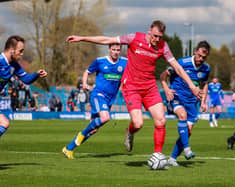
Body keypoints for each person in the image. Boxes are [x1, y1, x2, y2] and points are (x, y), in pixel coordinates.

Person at [66, 20, 201, 158]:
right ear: (149, 30)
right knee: (138, 123)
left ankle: (157, 155)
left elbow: (177, 67)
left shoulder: (163, 46)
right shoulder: (134, 38)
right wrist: (82, 38)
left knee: (161, 120)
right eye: (155, 36)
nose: (157, 39)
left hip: (150, 87)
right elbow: (107, 39)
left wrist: (191, 85)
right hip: (132, 88)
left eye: (160, 37)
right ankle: (130, 132)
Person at [62, 43, 127, 159]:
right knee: (105, 117)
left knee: (93, 130)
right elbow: (87, 71)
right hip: (98, 95)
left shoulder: (124, 62)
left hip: (110, 99)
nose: (116, 52)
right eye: (113, 49)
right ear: (109, 49)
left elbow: (130, 76)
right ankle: (81, 134)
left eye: (118, 50)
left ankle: (68, 148)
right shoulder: (100, 61)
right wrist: (85, 83)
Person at [160, 41, 211, 166]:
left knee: (188, 131)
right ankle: (187, 149)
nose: (201, 59)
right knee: (182, 115)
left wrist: (203, 102)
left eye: (204, 57)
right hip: (176, 96)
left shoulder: (206, 68)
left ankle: (172, 159)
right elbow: (163, 76)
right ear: (195, 51)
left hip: (191, 101)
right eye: (199, 55)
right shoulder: (182, 62)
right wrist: (166, 89)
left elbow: (204, 85)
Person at [0, 35, 47, 138]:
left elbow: (26, 79)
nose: (22, 54)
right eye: (20, 51)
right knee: (4, 123)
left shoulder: (14, 65)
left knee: (4, 123)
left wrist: (37, 74)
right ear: (12, 50)